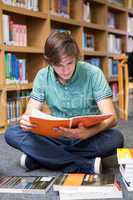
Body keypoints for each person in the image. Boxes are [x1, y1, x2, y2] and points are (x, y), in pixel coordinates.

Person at [5, 31, 124, 174]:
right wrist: (26, 120)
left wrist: (88, 132)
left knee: (116, 139)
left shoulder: (93, 73)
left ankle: (42, 157)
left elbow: (111, 117)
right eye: (59, 65)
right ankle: (81, 164)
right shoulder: (43, 76)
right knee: (12, 133)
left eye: (69, 63)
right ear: (50, 62)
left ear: (76, 58)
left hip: (87, 137)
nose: (65, 70)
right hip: (56, 136)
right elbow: (31, 112)